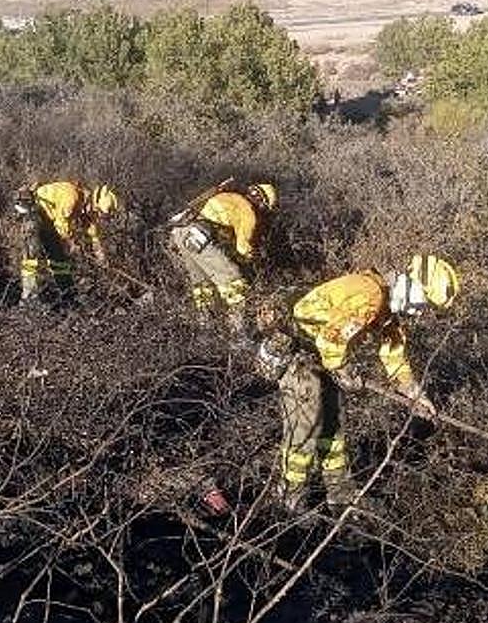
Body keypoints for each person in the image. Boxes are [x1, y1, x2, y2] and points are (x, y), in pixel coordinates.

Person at [278, 254, 461, 511]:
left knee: (334, 428)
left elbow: (393, 355)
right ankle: (291, 498)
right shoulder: (369, 294)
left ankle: (340, 496)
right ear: (412, 285)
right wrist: (343, 370)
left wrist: (414, 394)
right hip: (303, 356)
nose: (420, 312)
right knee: (305, 429)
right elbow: (329, 340)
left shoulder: (385, 308)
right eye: (424, 302)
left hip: (325, 361)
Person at [167, 182, 278, 338]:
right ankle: (238, 335)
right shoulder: (248, 212)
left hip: (180, 232)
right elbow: (243, 247)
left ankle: (206, 330)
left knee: (203, 285)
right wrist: (252, 259)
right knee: (234, 281)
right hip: (200, 237)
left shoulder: (228, 196)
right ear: (262, 203)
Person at [14, 180, 118, 305]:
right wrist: (73, 244)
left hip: (48, 218)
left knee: (58, 257)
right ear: (94, 204)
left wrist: (101, 257)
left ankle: (68, 293)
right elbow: (61, 228)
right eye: (98, 212)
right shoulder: (72, 197)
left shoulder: (85, 207)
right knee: (32, 257)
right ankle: (29, 299)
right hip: (32, 211)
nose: (96, 215)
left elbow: (93, 234)